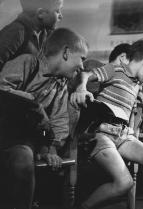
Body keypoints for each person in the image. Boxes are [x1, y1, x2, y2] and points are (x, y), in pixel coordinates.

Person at [70, 38, 143, 209]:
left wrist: (132, 133)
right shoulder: (116, 69)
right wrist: (81, 87)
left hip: (123, 135)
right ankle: (84, 207)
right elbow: (86, 74)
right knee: (125, 182)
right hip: (101, 134)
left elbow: (130, 114)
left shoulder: (137, 84)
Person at [0, 27, 88, 209]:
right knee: (22, 159)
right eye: (82, 58)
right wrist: (32, 103)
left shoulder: (60, 84)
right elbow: (2, 88)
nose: (82, 67)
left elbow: (59, 119)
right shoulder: (27, 63)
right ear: (66, 53)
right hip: (5, 133)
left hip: (27, 141)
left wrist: (52, 149)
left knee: (27, 159)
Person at [0, 0, 63, 70]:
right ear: (40, 13)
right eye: (57, 11)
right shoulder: (16, 32)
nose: (61, 16)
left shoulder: (45, 33)